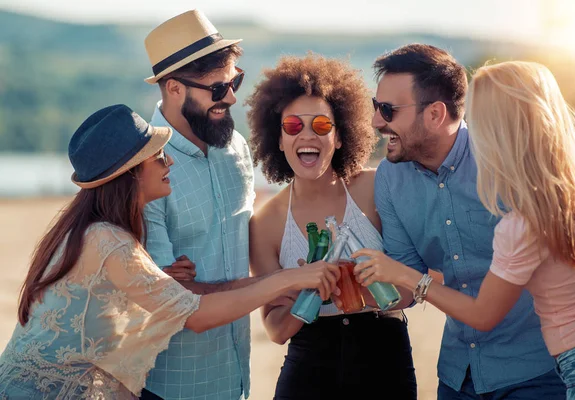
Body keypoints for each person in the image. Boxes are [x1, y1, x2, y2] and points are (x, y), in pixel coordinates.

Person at [0, 104, 340, 399]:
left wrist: (281, 279)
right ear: (131, 174)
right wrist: (289, 279)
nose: (170, 161)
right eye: (159, 156)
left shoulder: (96, 232)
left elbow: (180, 298)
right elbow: (197, 315)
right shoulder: (109, 242)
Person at [354, 60, 575, 400]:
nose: (375, 121)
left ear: (436, 114)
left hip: (540, 373)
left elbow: (479, 309)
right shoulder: (390, 180)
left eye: (387, 109)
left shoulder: (513, 174)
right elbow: (405, 283)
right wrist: (349, 289)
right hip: (459, 375)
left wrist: (411, 277)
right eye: (374, 106)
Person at [246, 54, 417, 400]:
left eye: (322, 125)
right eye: (293, 126)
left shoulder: (377, 189)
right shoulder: (264, 224)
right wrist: (308, 287)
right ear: (278, 140)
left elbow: (414, 288)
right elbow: (276, 330)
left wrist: (349, 287)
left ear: (340, 137)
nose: (307, 134)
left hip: (386, 363)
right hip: (309, 369)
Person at [140, 10, 262, 400]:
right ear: (174, 88)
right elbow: (172, 297)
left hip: (237, 378)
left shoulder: (237, 148)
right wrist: (275, 286)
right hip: (171, 384)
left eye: (234, 81)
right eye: (217, 88)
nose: (231, 96)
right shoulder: (142, 169)